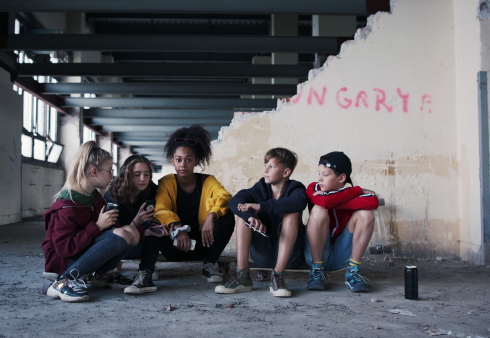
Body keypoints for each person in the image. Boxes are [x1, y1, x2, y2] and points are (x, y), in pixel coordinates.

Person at [42, 141, 140, 302]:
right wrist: (97, 226)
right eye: (109, 171)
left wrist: (143, 229)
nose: (112, 175)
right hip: (63, 263)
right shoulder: (66, 205)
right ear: (94, 171)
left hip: (83, 254)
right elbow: (64, 249)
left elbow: (112, 233)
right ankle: (62, 281)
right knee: (122, 233)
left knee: (132, 232)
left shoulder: (94, 197)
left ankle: (98, 276)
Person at [215, 148, 307, 298]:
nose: (265, 170)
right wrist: (250, 216)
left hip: (291, 257)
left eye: (271, 166)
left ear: (286, 172)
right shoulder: (260, 188)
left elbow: (299, 202)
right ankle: (242, 276)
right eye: (265, 165)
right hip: (262, 256)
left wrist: (261, 207)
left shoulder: (296, 189)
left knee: (292, 212)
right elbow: (235, 202)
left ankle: (278, 276)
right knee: (242, 213)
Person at [154, 124, 235, 283]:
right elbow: (161, 209)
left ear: (196, 161)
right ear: (173, 161)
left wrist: (212, 216)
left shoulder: (207, 181)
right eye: (179, 159)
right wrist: (177, 227)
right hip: (175, 246)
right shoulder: (167, 182)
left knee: (227, 216)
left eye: (188, 159)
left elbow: (225, 197)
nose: (183, 164)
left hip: (204, 245)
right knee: (154, 218)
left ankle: (210, 264)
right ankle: (148, 265)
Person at [304, 151, 379, 293]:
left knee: (366, 213)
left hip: (342, 253)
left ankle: (353, 272)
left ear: (342, 177)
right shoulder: (314, 187)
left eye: (325, 175)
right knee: (319, 209)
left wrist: (336, 201)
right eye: (319, 173)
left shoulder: (349, 192)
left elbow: (373, 201)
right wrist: (357, 191)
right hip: (318, 252)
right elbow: (323, 202)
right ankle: (316, 271)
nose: (319, 178)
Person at [103, 155, 169, 294]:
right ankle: (106, 271)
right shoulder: (113, 195)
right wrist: (135, 223)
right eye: (137, 174)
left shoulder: (154, 191)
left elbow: (166, 211)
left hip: (148, 244)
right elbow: (109, 231)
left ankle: (146, 274)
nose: (142, 179)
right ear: (126, 175)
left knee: (155, 224)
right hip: (120, 247)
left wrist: (168, 224)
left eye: (147, 174)